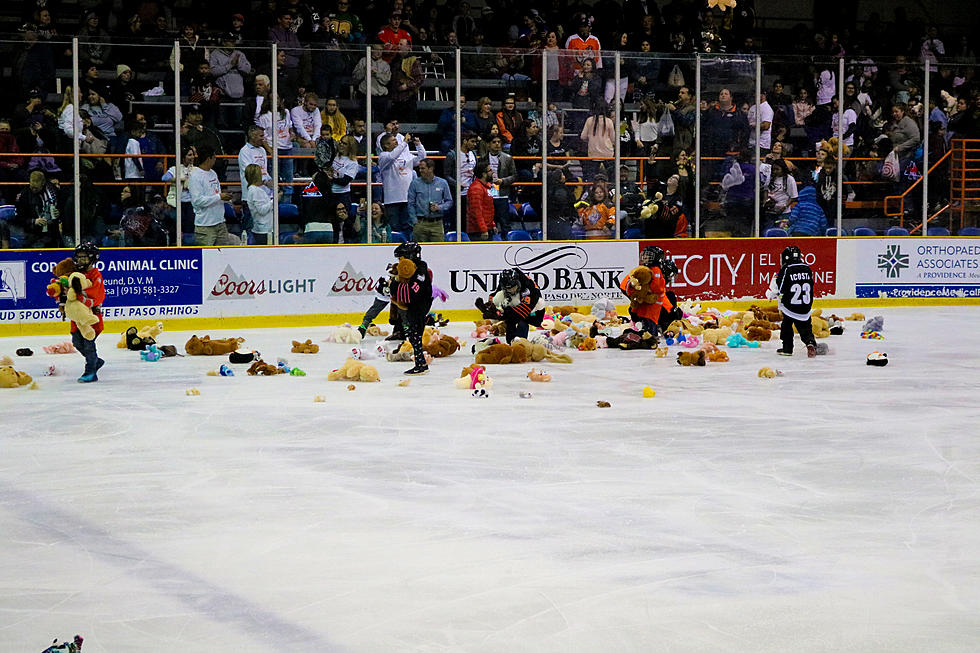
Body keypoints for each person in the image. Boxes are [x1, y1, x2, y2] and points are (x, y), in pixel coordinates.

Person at [60, 242, 105, 383]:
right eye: (79, 258)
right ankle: (96, 361)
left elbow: (96, 296)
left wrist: (77, 294)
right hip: (76, 317)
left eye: (84, 258)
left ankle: (91, 370)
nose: (81, 261)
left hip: (90, 316)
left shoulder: (96, 275)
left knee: (88, 343)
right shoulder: (74, 274)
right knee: (77, 342)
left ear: (92, 258)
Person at [389, 241, 434, 375]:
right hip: (415, 306)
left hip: (418, 306)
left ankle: (420, 364)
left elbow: (412, 292)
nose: (399, 261)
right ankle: (420, 363)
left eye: (401, 258)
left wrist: (395, 284)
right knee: (414, 335)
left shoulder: (420, 271)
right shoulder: (416, 269)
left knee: (415, 335)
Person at [767, 245, 817, 358]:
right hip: (805, 305)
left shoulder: (787, 269)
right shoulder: (807, 268)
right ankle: (810, 342)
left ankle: (787, 348)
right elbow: (811, 286)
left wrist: (774, 292)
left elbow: (782, 288)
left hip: (790, 306)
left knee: (787, 326)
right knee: (805, 327)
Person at [476, 267, 545, 343]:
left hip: (535, 310)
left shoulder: (528, 287)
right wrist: (490, 308)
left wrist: (501, 314)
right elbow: (496, 295)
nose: (511, 291)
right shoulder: (504, 283)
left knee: (522, 320)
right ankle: (511, 340)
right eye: (508, 289)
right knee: (510, 320)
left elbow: (520, 313)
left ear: (518, 283)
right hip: (518, 303)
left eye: (513, 288)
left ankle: (521, 341)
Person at [377, 131, 426, 238]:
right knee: (394, 228)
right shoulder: (383, 156)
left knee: (409, 228)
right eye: (393, 140)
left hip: (407, 199)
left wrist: (418, 145)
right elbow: (392, 157)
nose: (397, 142)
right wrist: (404, 143)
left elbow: (422, 159)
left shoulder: (406, 155)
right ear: (386, 145)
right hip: (392, 201)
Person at [189, 145, 234, 246]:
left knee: (224, 254)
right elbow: (198, 201)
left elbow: (216, 193)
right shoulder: (195, 176)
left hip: (220, 222)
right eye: (214, 157)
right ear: (209, 158)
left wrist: (225, 198)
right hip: (205, 226)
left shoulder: (213, 173)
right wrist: (219, 197)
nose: (215, 159)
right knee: (206, 256)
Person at [408, 158, 452, 242]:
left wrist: (439, 207)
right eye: (419, 168)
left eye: (423, 168)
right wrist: (415, 221)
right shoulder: (414, 183)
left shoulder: (443, 183)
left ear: (431, 168)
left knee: (438, 251)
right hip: (420, 223)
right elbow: (411, 204)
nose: (420, 170)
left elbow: (449, 201)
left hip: (437, 224)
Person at [243, 163, 274, 245]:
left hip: (265, 227)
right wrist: (274, 201)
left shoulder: (255, 189)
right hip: (263, 229)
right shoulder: (255, 191)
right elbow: (262, 210)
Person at [238, 125, 271, 197]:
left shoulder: (262, 150)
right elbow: (250, 173)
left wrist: (270, 181)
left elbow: (264, 170)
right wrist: (265, 182)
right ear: (252, 136)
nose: (263, 139)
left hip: (266, 194)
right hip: (251, 195)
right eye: (261, 136)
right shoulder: (244, 151)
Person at [466, 161, 495, 240]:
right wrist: (483, 229)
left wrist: (492, 224)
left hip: (486, 228)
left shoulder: (486, 187)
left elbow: (488, 208)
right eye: (490, 170)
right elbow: (476, 212)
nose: (492, 172)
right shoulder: (476, 189)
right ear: (484, 174)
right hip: (478, 231)